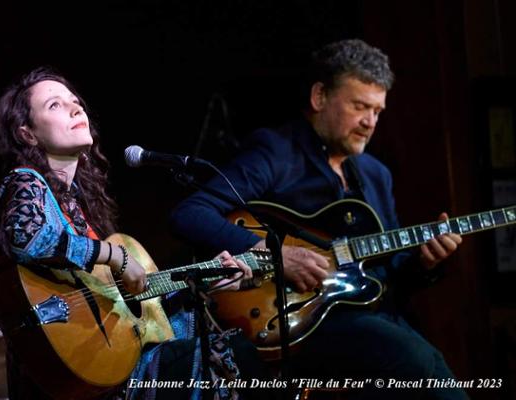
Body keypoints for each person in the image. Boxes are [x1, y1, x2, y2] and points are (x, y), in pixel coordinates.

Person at [170, 39, 467, 399]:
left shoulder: (375, 175)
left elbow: (387, 273)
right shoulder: (275, 152)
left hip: (369, 317)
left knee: (431, 370)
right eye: (360, 106)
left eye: (377, 111)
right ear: (319, 97)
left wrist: (424, 262)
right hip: (291, 321)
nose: (369, 122)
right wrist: (273, 255)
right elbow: (190, 214)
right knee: (414, 359)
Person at [0, 67, 269, 400]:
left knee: (231, 352)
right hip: (76, 376)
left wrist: (207, 283)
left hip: (112, 374)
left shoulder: (81, 209)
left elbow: (145, 312)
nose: (75, 108)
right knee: (236, 356)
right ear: (27, 135)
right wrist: (116, 256)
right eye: (54, 105)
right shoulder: (26, 180)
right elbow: (28, 237)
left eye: (75, 101)